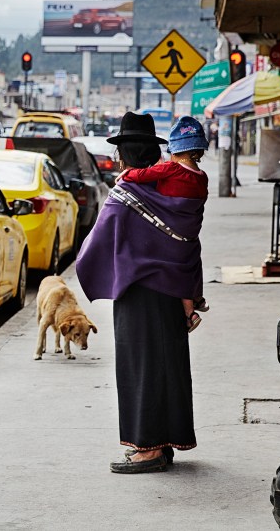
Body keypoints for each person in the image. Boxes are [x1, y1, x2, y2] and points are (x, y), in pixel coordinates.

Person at [76, 111, 205, 475]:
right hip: (173, 290)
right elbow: (188, 243)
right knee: (168, 365)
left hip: (138, 292)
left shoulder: (126, 192)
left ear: (124, 156)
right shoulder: (176, 188)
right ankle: (165, 444)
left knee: (142, 368)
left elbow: (99, 242)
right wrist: (190, 295)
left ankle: (147, 450)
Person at [119, 115, 210, 332]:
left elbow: (142, 175)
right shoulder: (202, 176)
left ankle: (189, 312)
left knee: (174, 269)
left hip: (172, 232)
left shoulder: (171, 169)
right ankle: (197, 297)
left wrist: (126, 175)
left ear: (176, 150)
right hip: (190, 232)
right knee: (191, 262)